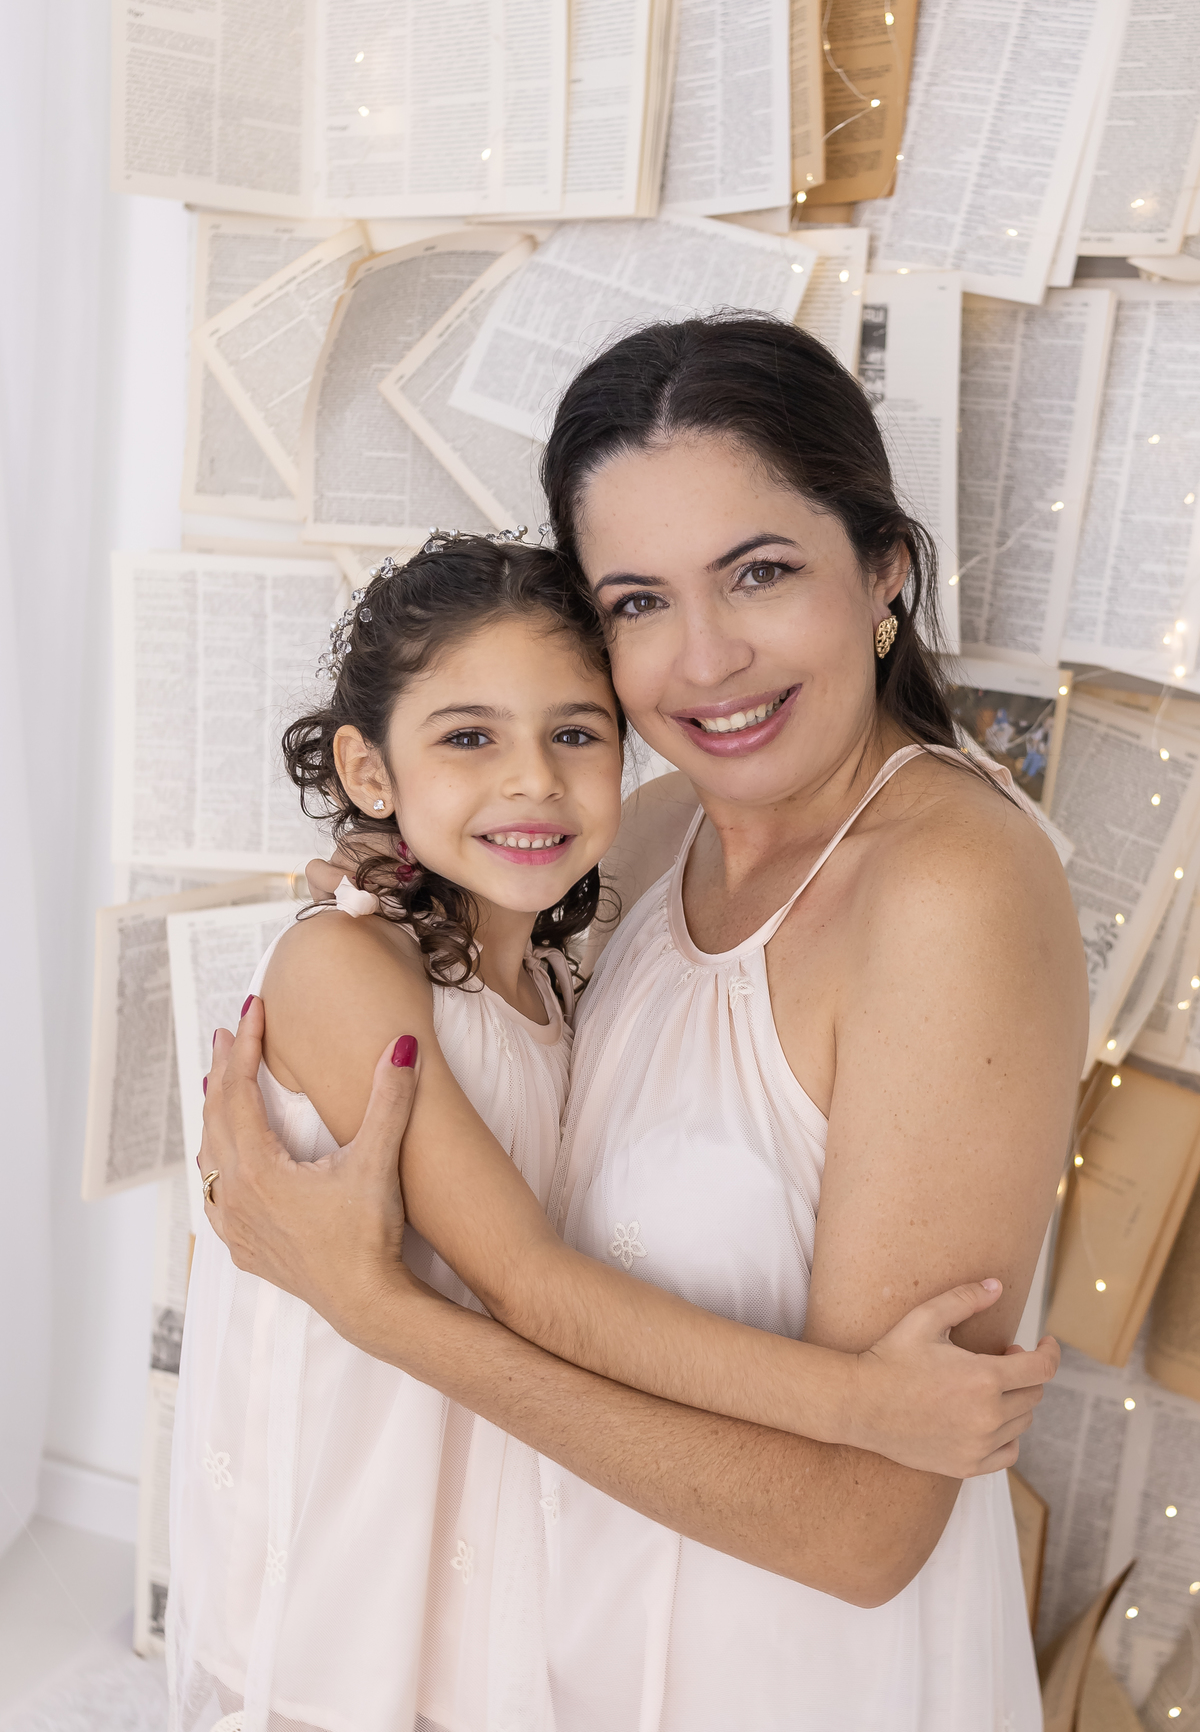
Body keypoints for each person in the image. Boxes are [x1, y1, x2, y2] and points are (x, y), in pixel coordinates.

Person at [199, 315, 1087, 1732]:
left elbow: (866, 1538)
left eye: (762, 572)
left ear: (885, 575)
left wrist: (375, 1308)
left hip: (783, 1679)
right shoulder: (646, 836)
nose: (707, 659)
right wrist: (379, 884)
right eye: (636, 603)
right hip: (537, 1644)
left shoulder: (952, 892)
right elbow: (485, 979)